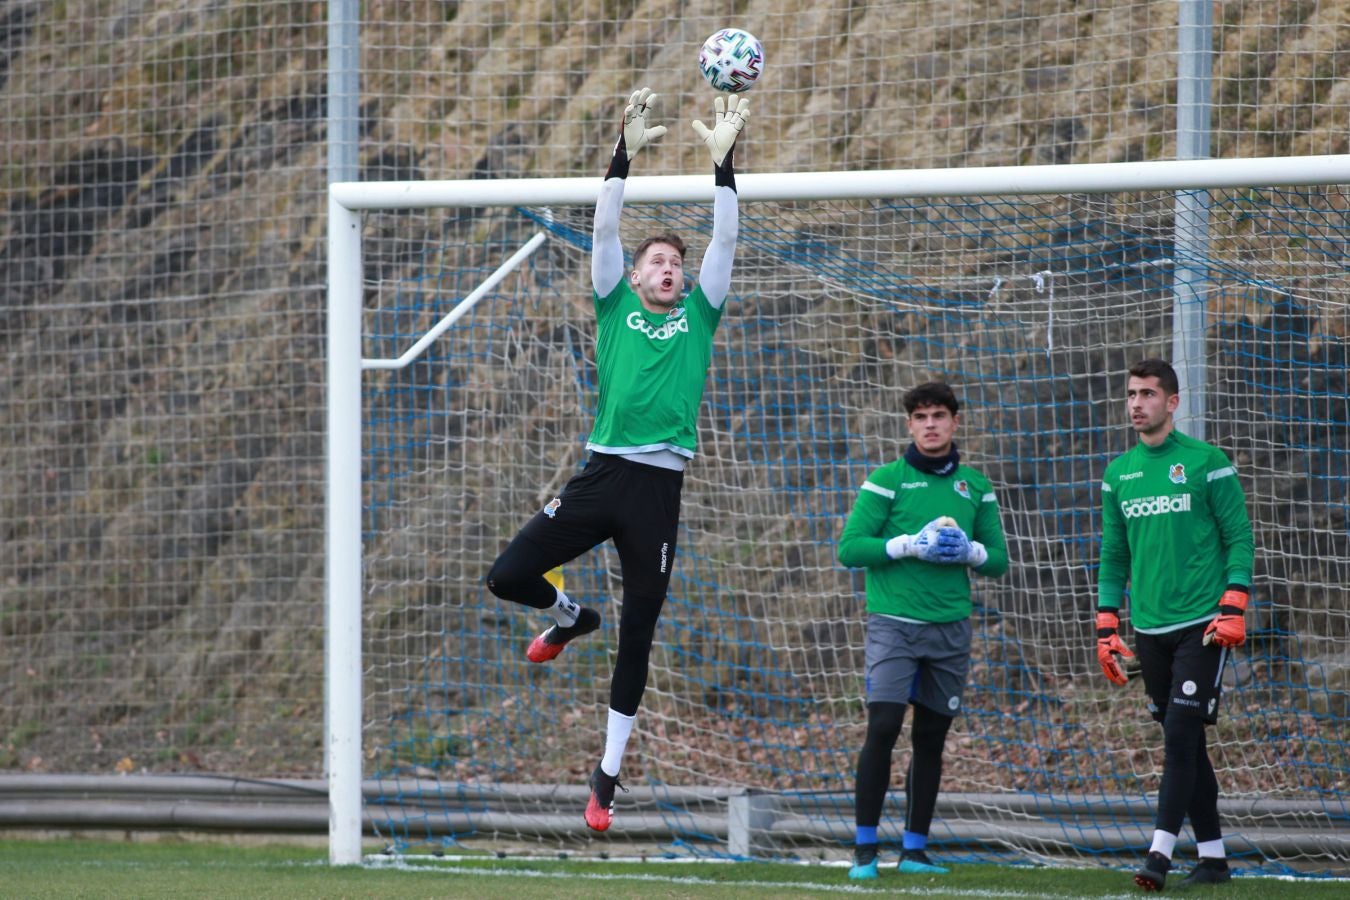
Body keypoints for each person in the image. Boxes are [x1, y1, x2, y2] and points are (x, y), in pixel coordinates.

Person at [485, 87, 750, 833]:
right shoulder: (613, 305)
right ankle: (569, 617)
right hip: (601, 477)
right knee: (508, 577)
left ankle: (606, 776)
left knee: (640, 631)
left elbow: (726, 243)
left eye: (675, 262)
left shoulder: (699, 314)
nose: (669, 267)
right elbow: (604, 228)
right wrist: (621, 153)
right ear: (634, 277)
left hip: (658, 493)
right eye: (657, 260)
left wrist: (723, 166)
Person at [837, 381, 1009, 880]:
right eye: (920, 416)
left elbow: (998, 559)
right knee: (885, 727)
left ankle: (914, 851)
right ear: (909, 425)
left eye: (939, 415)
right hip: (893, 625)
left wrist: (973, 553)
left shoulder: (975, 487)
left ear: (955, 422)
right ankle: (865, 851)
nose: (930, 424)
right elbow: (850, 548)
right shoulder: (886, 480)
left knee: (931, 739)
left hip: (950, 630)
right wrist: (905, 545)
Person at [1094, 358, 1255, 892]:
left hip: (1204, 625)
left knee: (1180, 737)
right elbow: (1114, 553)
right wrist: (1107, 621)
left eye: (1147, 394)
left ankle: (1158, 855)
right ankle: (1213, 858)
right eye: (1131, 394)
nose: (1136, 404)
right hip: (1150, 630)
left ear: (1173, 402)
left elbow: (1239, 537)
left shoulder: (1207, 462)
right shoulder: (1119, 474)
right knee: (1184, 740)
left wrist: (1233, 604)